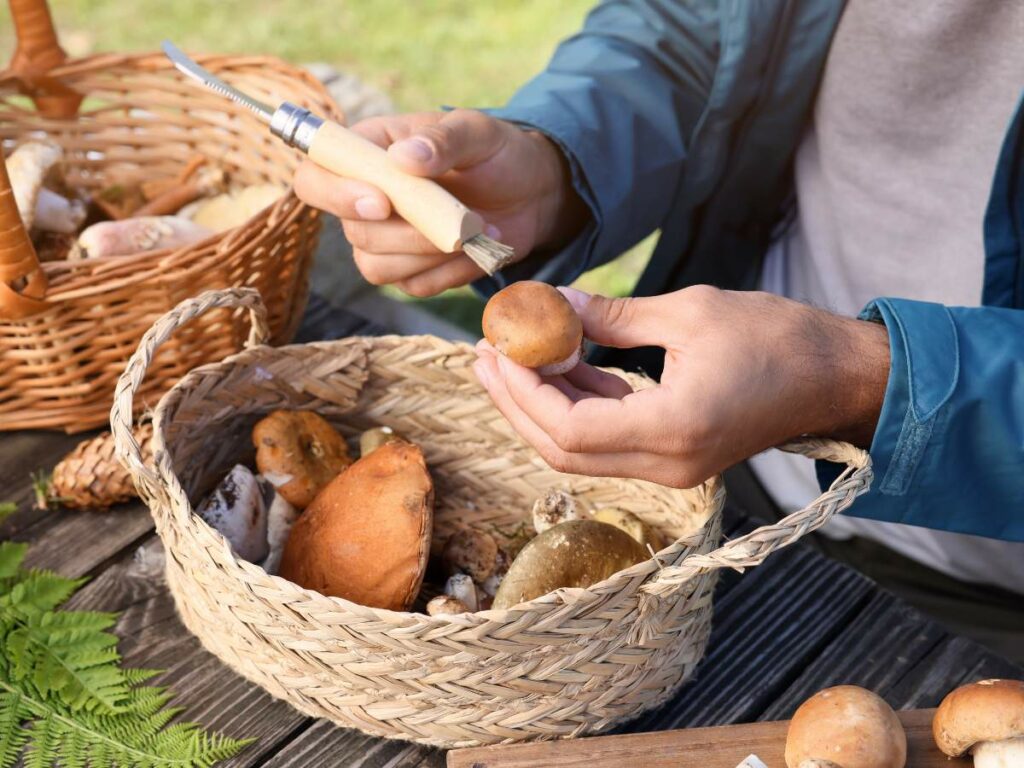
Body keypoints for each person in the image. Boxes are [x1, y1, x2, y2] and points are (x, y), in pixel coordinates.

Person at [294, 1, 1024, 661]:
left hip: (981, 596)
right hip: (715, 477)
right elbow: (708, 26)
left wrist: (859, 381)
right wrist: (555, 163)